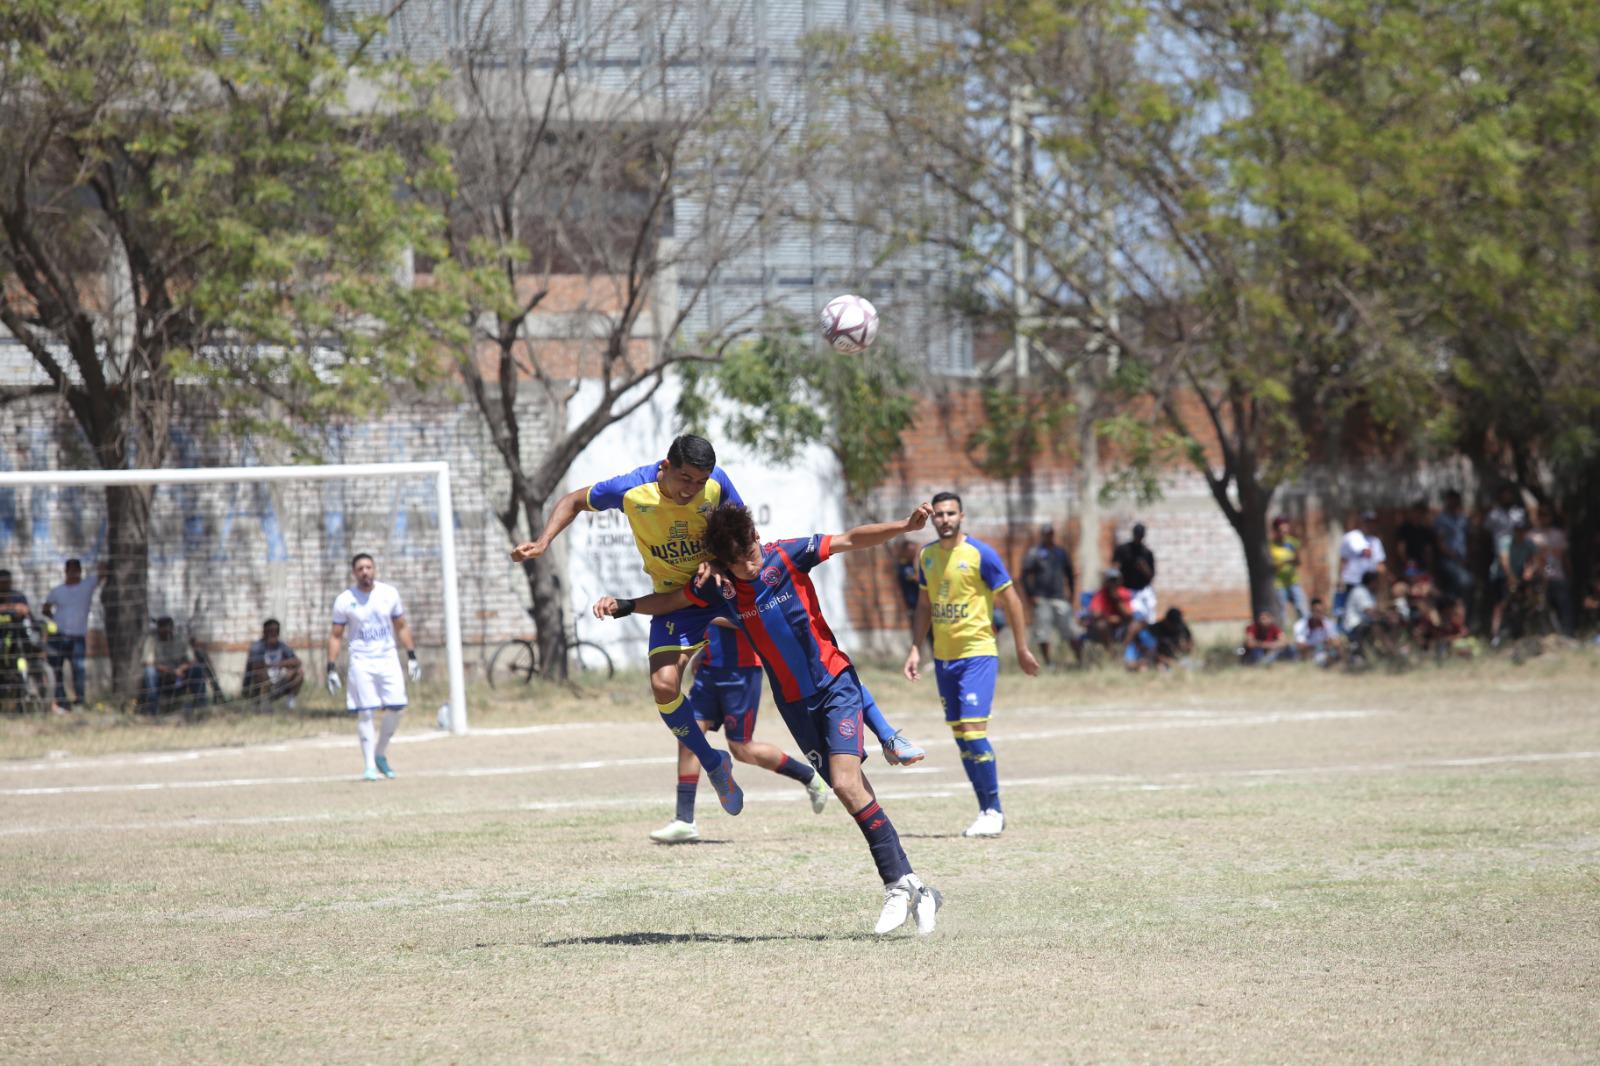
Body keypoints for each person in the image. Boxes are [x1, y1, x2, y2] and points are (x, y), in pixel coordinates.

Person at [510, 435, 923, 820]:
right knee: (664, 685)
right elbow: (573, 500)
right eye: (685, 478)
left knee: (807, 648)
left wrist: (720, 561)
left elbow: (742, 527)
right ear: (666, 466)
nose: (692, 489)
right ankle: (714, 763)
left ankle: (888, 735)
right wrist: (544, 540)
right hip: (678, 599)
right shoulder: (630, 490)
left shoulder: (716, 484)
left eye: (700, 481)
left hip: (727, 590)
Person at [593, 502, 944, 935]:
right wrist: (625, 605)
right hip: (794, 704)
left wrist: (904, 527)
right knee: (850, 791)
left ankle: (895, 886)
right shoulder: (719, 588)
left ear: (757, 539)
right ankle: (917, 887)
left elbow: (852, 538)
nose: (751, 567)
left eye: (753, 555)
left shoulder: (787, 555)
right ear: (724, 561)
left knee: (846, 783)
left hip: (835, 683)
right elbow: (671, 601)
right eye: (740, 564)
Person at [904, 492, 1040, 839]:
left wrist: (1022, 649)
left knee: (973, 730)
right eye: (938, 514)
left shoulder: (981, 554)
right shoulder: (927, 556)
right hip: (944, 658)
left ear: (961, 516)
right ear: (931, 519)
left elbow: (1012, 601)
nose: (944, 519)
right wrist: (915, 649)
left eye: (950, 513)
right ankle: (985, 809)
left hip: (978, 654)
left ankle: (993, 809)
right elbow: (923, 605)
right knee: (961, 737)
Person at [649, 624, 831, 844]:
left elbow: (741, 618)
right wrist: (702, 652)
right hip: (708, 671)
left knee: (742, 749)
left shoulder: (735, 588)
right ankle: (684, 820)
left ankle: (809, 776)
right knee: (689, 738)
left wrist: (710, 614)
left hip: (741, 673)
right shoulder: (702, 588)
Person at [326, 554, 421, 781]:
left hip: (387, 658)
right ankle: (369, 765)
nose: (365, 572)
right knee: (365, 711)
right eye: (360, 568)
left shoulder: (389, 594)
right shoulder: (345, 599)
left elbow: (401, 626)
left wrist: (412, 656)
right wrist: (330, 666)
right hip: (361, 661)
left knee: (397, 706)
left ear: (375, 569)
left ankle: (380, 753)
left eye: (369, 567)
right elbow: (336, 635)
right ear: (354, 573)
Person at [43, 558, 106, 707]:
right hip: (58, 636)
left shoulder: (87, 586)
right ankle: (61, 702)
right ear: (65, 571)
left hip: (78, 637)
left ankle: (79, 702)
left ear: (80, 571)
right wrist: (56, 621)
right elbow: (45, 609)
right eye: (70, 570)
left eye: (76, 570)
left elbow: (103, 572)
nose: (73, 573)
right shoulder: (57, 591)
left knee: (79, 670)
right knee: (56, 669)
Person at [1021, 523, 1078, 668]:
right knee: (1043, 632)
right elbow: (1025, 575)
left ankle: (1079, 660)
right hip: (1042, 598)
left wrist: (1071, 594)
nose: (1049, 536)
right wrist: (1031, 595)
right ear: (1043, 535)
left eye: (1051, 533)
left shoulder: (1060, 552)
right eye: (1046, 534)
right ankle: (1048, 663)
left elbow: (1070, 574)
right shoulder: (1035, 553)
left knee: (1070, 630)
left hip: (1059, 597)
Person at [139, 616, 211, 715]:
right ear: (158, 629)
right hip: (161, 675)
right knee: (149, 672)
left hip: (181, 674)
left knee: (197, 669)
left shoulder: (180, 639)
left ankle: (201, 707)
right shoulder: (152, 641)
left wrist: (181, 669)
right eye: (163, 628)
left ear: (172, 628)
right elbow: (148, 662)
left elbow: (192, 660)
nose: (166, 631)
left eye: (168, 627)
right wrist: (170, 671)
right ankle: (153, 710)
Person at [242, 618, 304, 710]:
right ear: (265, 632)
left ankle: (291, 702)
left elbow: (297, 661)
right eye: (270, 631)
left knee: (299, 673)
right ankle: (262, 703)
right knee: (261, 673)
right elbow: (256, 666)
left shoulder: (282, 646)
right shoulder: (257, 647)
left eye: (276, 631)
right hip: (261, 684)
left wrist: (280, 664)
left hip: (279, 681)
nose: (273, 634)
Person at [1532, 507, 1573, 637]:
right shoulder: (1532, 536)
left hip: (1558, 576)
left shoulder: (1558, 535)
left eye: (1546, 515)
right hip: (1541, 578)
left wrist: (1569, 573)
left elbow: (1564, 557)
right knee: (1543, 607)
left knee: (1563, 607)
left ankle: (1567, 634)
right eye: (1541, 516)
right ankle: (1545, 635)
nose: (1544, 519)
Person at [1337, 511, 1386, 613]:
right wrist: (1340, 578)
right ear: (1361, 522)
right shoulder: (1350, 537)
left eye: (1372, 522)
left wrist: (1382, 580)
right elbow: (1343, 559)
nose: (1370, 525)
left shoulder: (1375, 541)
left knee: (1369, 608)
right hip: (1352, 580)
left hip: (1369, 583)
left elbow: (1380, 564)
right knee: (1351, 609)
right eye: (1367, 522)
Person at [1433, 489, 1474, 604]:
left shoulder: (1463, 519)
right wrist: (1456, 557)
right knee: (1465, 582)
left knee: (1464, 587)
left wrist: (1467, 557)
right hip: (1449, 560)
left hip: (1464, 560)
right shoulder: (1441, 520)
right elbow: (1440, 543)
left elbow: (1468, 539)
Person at [1112, 522, 1157, 622]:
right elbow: (1115, 569)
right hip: (1128, 590)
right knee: (1135, 616)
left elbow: (1151, 575)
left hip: (1143, 589)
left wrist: (1143, 567)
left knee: (1149, 618)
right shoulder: (1123, 550)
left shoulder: (1146, 553)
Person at [1268, 517, 1308, 624]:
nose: (1284, 534)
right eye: (1281, 531)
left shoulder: (1292, 543)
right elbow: (1271, 567)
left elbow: (1299, 561)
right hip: (1279, 584)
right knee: (1282, 612)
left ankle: (1305, 633)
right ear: (1276, 531)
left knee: (1302, 608)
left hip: (1293, 581)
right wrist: (1284, 561)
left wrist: (1295, 558)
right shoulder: (1271, 546)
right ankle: (1284, 635)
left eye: (1286, 530)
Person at [1395, 499, 1438, 582]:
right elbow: (1401, 549)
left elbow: (1428, 551)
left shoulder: (1426, 531)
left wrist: (1429, 567)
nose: (1418, 515)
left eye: (1421, 513)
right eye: (1416, 512)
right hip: (1409, 565)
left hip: (1422, 566)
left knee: (1427, 584)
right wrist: (1407, 562)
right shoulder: (1404, 528)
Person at [1292, 598, 1343, 667]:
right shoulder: (1300, 625)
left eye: (1322, 611)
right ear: (1311, 611)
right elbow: (1300, 646)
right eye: (1317, 611)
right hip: (1309, 655)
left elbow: (1336, 642)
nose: (1320, 614)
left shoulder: (1329, 623)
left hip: (1325, 653)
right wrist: (1320, 645)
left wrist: (1330, 643)